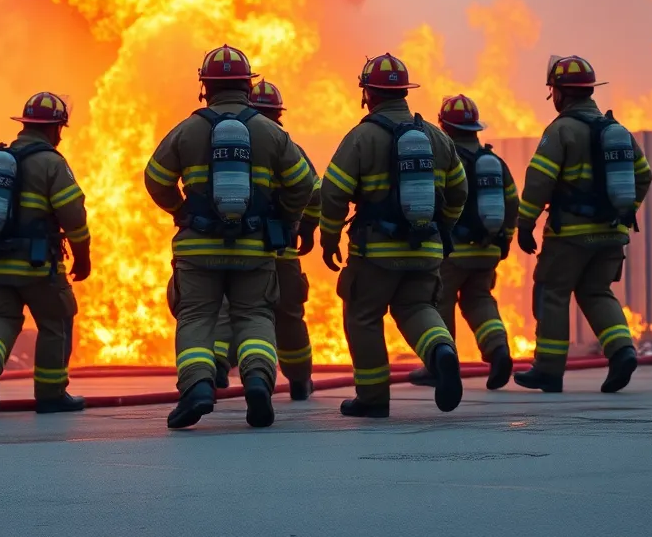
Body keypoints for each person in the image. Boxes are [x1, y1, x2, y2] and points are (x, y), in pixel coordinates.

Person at [145, 45, 314, 430]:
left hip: (198, 247)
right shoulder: (269, 131)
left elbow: (154, 178)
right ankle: (257, 381)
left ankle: (198, 389)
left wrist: (181, 210)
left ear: (205, 86)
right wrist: (285, 219)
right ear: (247, 85)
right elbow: (303, 182)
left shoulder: (188, 129)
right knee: (255, 315)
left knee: (198, 316)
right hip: (255, 246)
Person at [320, 53, 468, 418]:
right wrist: (443, 229)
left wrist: (329, 237)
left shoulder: (361, 137)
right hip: (426, 249)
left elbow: (334, 192)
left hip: (376, 254)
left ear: (368, 93)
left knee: (364, 315)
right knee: (418, 308)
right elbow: (460, 191)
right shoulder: (436, 137)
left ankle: (373, 399)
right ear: (404, 91)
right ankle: (442, 353)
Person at [512, 55, 652, 394]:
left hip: (570, 235)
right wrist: (625, 210)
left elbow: (539, 181)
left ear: (560, 93)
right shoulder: (616, 131)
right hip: (611, 234)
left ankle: (548, 369)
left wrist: (525, 223)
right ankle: (622, 351)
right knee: (596, 291)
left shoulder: (561, 130)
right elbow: (644, 175)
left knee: (553, 293)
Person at [0, 91, 91, 414]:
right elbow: (73, 213)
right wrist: (82, 254)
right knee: (55, 321)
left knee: (0, 318)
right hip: (37, 266)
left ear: (25, 125)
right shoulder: (52, 164)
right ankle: (51, 394)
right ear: (56, 128)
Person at [212, 79, 320, 399]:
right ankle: (299, 380)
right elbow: (313, 192)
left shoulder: (219, 144)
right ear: (278, 114)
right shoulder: (288, 146)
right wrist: (306, 227)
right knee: (287, 315)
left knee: (229, 309)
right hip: (280, 249)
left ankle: (219, 364)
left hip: (234, 245)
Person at [408, 94, 517, 391]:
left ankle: (441, 366)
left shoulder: (442, 157)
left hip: (452, 250)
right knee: (479, 299)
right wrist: (504, 239)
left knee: (438, 301)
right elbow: (512, 204)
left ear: (445, 126)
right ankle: (499, 351)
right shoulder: (494, 162)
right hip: (488, 248)